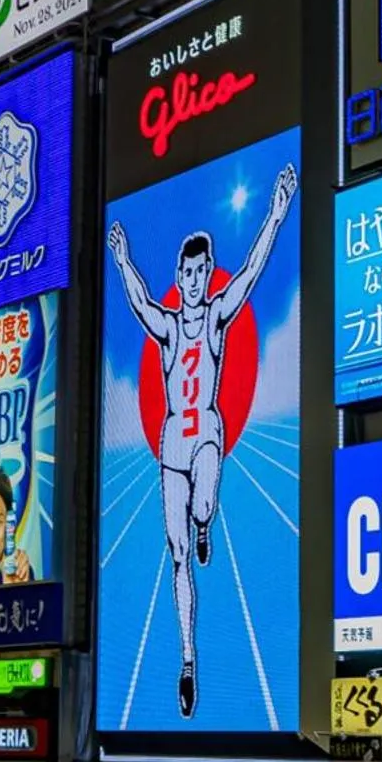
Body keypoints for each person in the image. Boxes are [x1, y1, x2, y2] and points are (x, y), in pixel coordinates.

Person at [107, 162, 297, 718]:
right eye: (186, 273)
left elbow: (255, 272)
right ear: (180, 273)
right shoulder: (168, 327)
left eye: (201, 271)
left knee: (204, 502)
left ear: (208, 271)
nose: (193, 280)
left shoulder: (216, 318)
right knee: (177, 554)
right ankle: (189, 659)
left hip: (207, 432)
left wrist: (277, 212)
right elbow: (141, 304)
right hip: (172, 444)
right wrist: (122, 261)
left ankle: (207, 518)